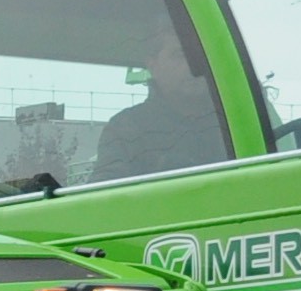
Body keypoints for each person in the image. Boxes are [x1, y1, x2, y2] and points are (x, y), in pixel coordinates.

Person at [93, 21, 229, 181]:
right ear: (153, 65)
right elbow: (107, 195)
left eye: (199, 56)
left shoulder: (236, 118)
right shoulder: (126, 128)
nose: (193, 65)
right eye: (179, 55)